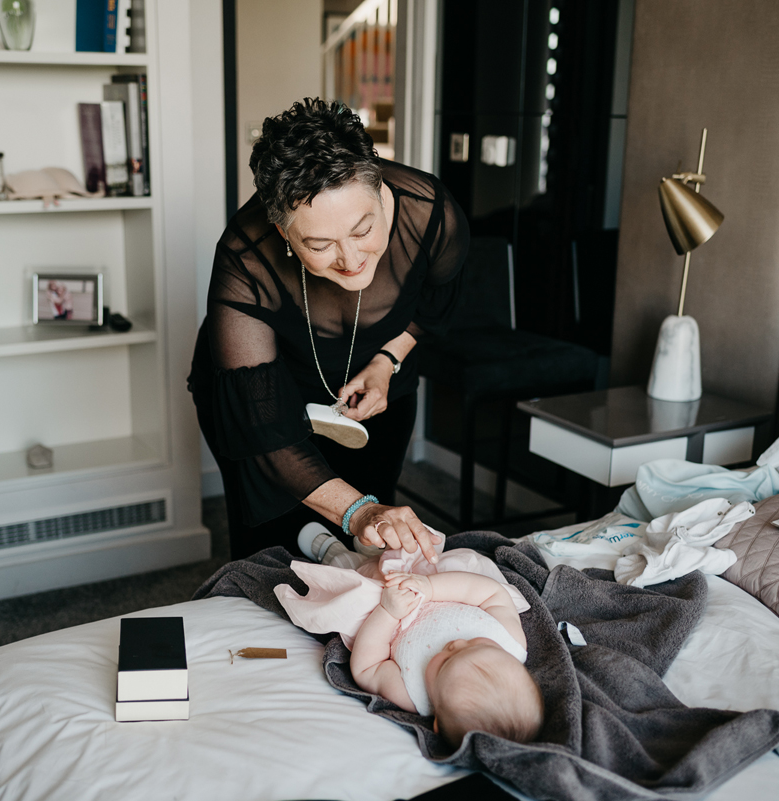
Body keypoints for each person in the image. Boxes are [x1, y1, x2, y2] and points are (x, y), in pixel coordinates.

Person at [189, 98, 469, 561]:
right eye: (319, 244)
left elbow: (436, 301)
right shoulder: (245, 256)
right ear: (284, 235)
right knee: (273, 550)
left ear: (380, 192)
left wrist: (387, 361)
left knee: (373, 548)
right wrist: (358, 511)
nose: (351, 258)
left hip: (378, 392)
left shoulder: (429, 212)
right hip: (262, 398)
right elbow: (264, 430)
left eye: (363, 229)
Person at [275, 533, 543, 747]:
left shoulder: (414, 695)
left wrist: (387, 612)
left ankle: (335, 554)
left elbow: (369, 667)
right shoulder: (511, 641)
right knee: (424, 550)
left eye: (446, 662)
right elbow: (491, 593)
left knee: (355, 590)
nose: (457, 644)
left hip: (386, 609)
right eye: (480, 645)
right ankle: (375, 544)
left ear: (436, 717)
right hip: (438, 581)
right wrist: (429, 587)